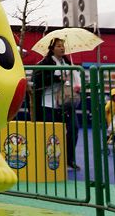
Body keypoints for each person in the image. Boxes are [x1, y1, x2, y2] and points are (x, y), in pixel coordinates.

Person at [32, 38, 81, 170]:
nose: (62, 48)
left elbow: (74, 80)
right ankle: (48, 160)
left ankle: (68, 159)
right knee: (50, 133)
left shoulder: (68, 63)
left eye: (63, 46)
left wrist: (77, 84)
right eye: (58, 46)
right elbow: (37, 80)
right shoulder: (45, 63)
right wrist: (57, 78)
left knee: (73, 130)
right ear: (52, 49)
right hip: (49, 104)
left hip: (66, 103)